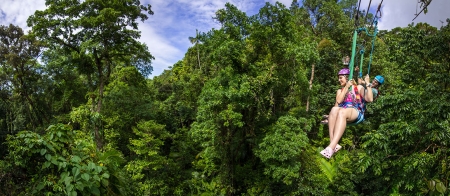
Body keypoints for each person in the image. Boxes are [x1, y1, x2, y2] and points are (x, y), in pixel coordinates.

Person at [320, 68, 376, 159]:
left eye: (341, 78)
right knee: (334, 110)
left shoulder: (358, 88)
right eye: (339, 78)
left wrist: (368, 84)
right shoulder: (340, 91)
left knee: (342, 112)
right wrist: (346, 87)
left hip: (356, 112)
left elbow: (370, 99)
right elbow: (337, 103)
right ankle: (333, 144)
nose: (339, 80)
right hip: (343, 113)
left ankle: (331, 147)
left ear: (347, 78)